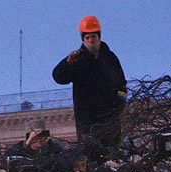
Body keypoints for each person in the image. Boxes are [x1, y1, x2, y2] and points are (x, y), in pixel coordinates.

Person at [51, 14, 127, 154]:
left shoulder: (110, 58)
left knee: (112, 157)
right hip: (87, 122)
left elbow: (121, 84)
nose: (91, 40)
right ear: (83, 39)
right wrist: (67, 64)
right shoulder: (77, 59)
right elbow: (58, 77)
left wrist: (120, 103)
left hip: (110, 118)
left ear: (99, 37)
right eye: (87, 37)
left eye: (93, 36)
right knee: (91, 158)